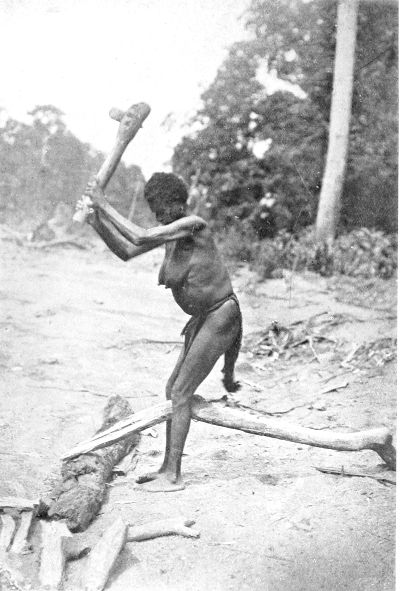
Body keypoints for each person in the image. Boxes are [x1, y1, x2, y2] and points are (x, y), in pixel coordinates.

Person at [79, 172, 242, 492]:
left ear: (179, 203)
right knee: (174, 391)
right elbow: (128, 251)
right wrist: (96, 221)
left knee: (181, 392)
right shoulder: (170, 239)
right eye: (154, 207)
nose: (158, 213)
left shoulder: (193, 224)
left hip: (220, 316)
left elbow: (139, 237)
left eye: (162, 206)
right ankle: (167, 466)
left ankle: (175, 476)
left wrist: (103, 203)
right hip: (203, 320)